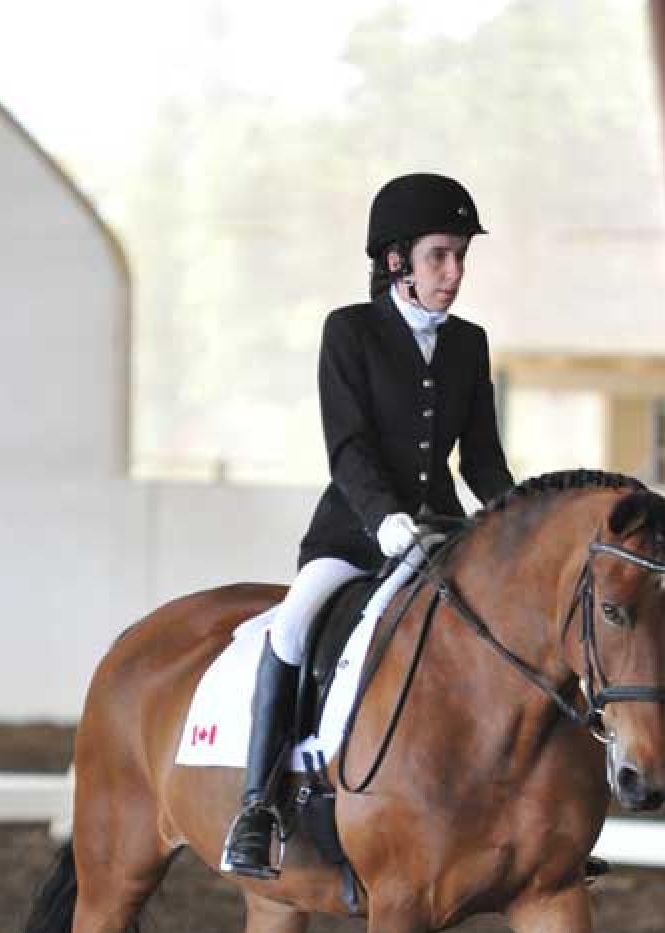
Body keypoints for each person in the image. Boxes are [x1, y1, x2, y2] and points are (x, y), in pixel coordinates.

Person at [220, 172, 516, 878]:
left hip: (444, 533)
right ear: (396, 262)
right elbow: (347, 445)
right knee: (292, 629)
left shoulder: (469, 345)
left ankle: (523, 807)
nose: (454, 272)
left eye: (460, 257)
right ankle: (258, 808)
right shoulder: (349, 332)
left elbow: (482, 460)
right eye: (440, 255)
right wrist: (382, 519)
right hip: (355, 534)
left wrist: (517, 520)